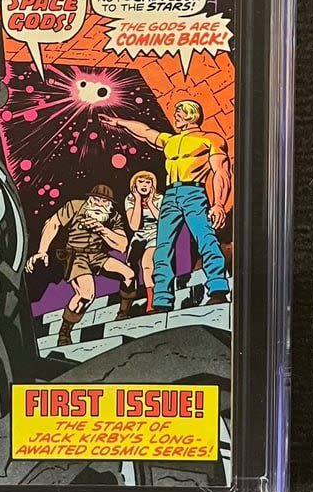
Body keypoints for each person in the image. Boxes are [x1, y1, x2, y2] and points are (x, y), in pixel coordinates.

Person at [104, 100, 231, 312]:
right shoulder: (171, 141)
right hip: (170, 195)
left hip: (193, 192)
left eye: (179, 113)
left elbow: (221, 171)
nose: (175, 117)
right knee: (163, 247)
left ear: (190, 115)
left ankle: (218, 289)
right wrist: (119, 122)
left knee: (206, 239)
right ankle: (162, 299)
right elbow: (145, 132)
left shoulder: (210, 139)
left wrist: (219, 203)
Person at [25, 184, 138, 346]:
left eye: (104, 202)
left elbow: (122, 245)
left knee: (129, 275)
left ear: (109, 205)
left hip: (97, 255)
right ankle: (64, 333)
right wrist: (42, 251)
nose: (99, 204)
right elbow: (53, 223)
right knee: (86, 294)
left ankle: (124, 314)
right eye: (96, 199)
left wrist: (102, 230)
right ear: (90, 199)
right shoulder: (75, 206)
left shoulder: (113, 216)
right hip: (75, 256)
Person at [124, 170, 163, 313]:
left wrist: (151, 203)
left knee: (147, 264)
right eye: (140, 182)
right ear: (134, 184)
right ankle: (128, 301)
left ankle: (151, 302)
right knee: (130, 265)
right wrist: (138, 200)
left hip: (155, 234)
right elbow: (134, 225)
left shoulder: (159, 198)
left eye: (148, 182)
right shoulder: (130, 199)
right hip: (139, 236)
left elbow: (162, 220)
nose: (144, 185)